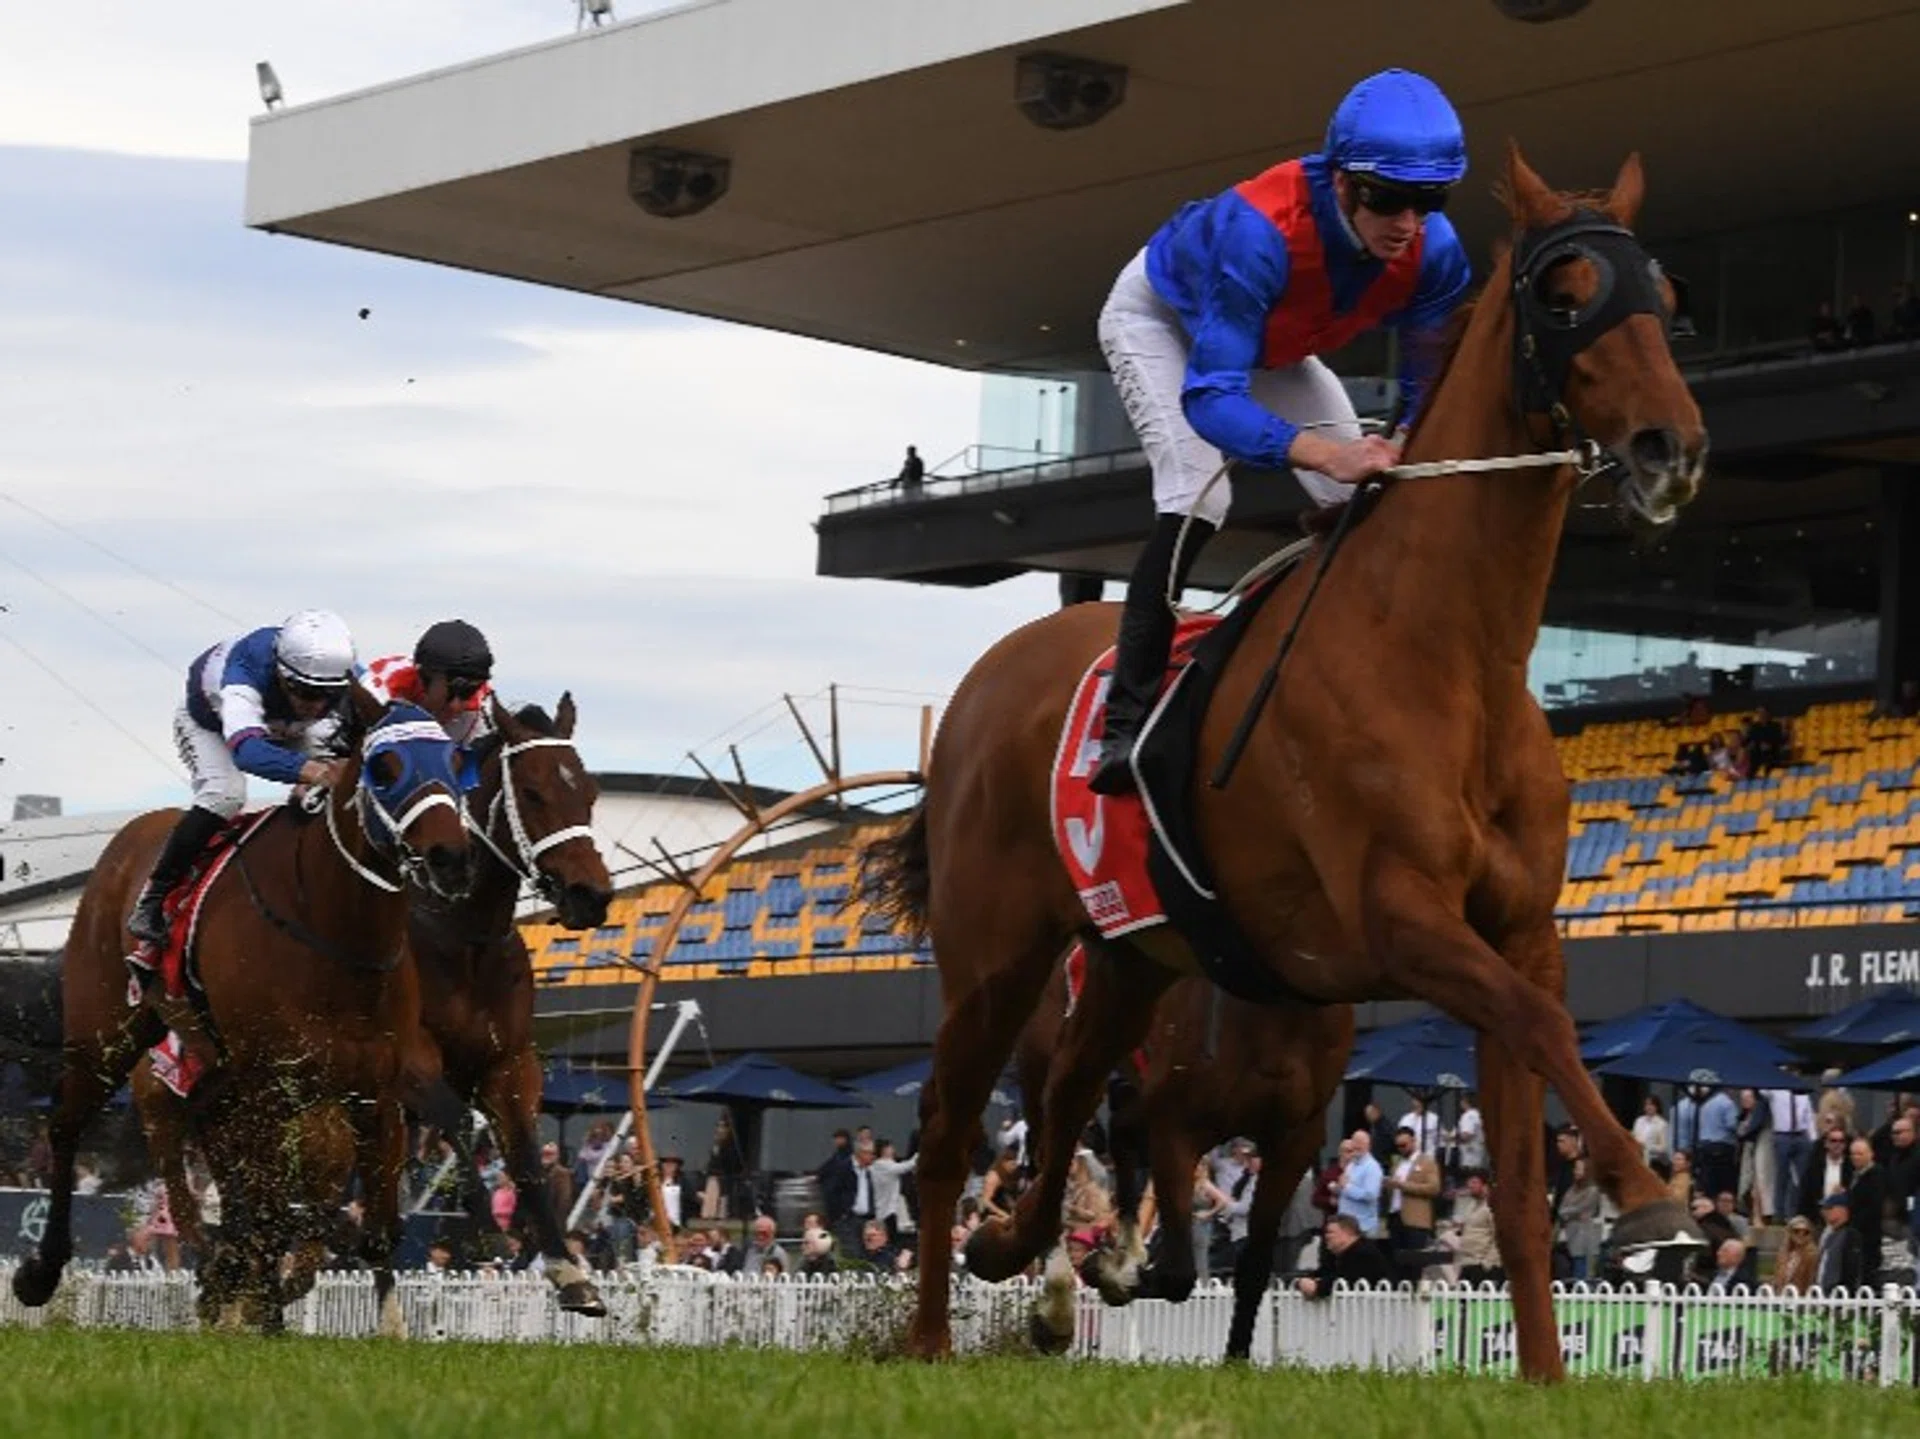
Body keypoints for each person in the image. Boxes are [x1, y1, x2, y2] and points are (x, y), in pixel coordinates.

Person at [1085, 68, 1472, 794]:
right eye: (1388, 199)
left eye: (1429, 201)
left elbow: (1426, 384)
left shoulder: (1437, 253)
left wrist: (1401, 440)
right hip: (1165, 321)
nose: (1407, 224)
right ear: (1343, 184)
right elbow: (1210, 399)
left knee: (1375, 490)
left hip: (1273, 343)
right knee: (1201, 497)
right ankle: (1124, 726)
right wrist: (1332, 450)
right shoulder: (1258, 232)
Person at [128, 610, 357, 950]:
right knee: (226, 795)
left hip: (288, 726)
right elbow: (248, 752)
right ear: (281, 675)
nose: (317, 704)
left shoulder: (341, 672)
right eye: (306, 693)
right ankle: (154, 895)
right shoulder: (244, 673)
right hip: (214, 726)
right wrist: (313, 771)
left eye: (329, 694)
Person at [362, 619, 496, 748]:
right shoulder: (381, 691)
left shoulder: (481, 706)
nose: (456, 707)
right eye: (452, 691)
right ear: (423, 678)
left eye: (468, 693)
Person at [1296, 1214, 1392, 1298]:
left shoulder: (1364, 1253)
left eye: (1330, 1232)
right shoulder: (1335, 1255)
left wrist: (1318, 1287)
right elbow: (1324, 1273)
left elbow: (1348, 1280)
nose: (1326, 1236)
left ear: (1347, 1232)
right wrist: (1304, 1280)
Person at [1336, 1127, 1384, 1237]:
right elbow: (1344, 1187)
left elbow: (1371, 1195)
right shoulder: (1352, 1164)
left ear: (1368, 1146)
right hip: (1345, 1226)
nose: (1356, 1146)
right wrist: (1339, 1187)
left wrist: (1347, 1187)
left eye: (1360, 1143)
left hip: (1362, 1228)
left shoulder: (1372, 1167)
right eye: (1354, 1142)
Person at [1815, 1192, 1864, 1292]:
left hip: (1839, 1293)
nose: (1824, 1212)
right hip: (1825, 1293)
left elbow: (1851, 1268)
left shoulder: (1850, 1234)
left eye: (1829, 1208)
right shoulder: (1829, 1235)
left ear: (1843, 1210)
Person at [1773, 1214, 1818, 1293]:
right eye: (1796, 1231)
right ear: (1790, 1232)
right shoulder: (1783, 1253)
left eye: (1806, 1232)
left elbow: (1810, 1280)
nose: (1801, 1234)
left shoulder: (1812, 1255)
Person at [1633, 1094, 1670, 1165]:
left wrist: (1646, 1146)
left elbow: (1664, 1148)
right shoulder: (1639, 1120)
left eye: (1651, 1104)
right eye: (1646, 1104)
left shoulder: (1662, 1124)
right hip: (1636, 1156)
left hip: (1651, 1161)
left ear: (1657, 1107)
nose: (1648, 1107)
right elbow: (1633, 1137)